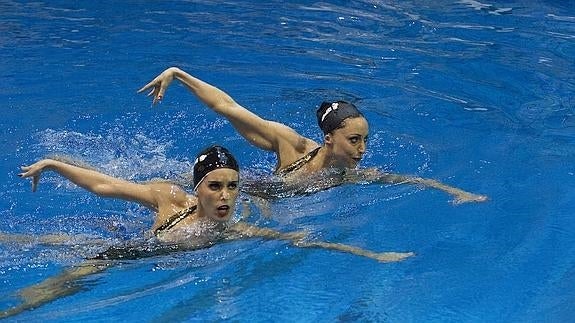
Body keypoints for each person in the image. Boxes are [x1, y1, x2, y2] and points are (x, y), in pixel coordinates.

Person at [1, 145, 413, 318]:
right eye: (215, 186)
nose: (226, 196)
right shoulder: (168, 199)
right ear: (196, 188)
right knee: (68, 278)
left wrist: (373, 257)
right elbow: (105, 185)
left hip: (140, 248)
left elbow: (302, 240)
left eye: (233, 186)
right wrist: (53, 165)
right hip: (124, 254)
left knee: (67, 245)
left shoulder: (233, 232)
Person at [138, 67, 487, 204]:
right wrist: (178, 74)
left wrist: (456, 192)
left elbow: (403, 179)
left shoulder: (349, 175)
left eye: (365, 140)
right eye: (354, 140)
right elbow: (228, 106)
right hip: (240, 193)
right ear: (329, 138)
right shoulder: (290, 145)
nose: (362, 150)